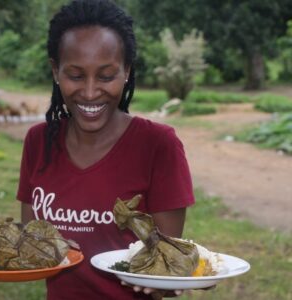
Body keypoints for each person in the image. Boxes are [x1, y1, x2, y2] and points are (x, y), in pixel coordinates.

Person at [17, 1, 195, 299]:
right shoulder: (39, 142)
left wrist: (169, 281)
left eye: (106, 76)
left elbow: (168, 262)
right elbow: (30, 239)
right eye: (75, 75)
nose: (89, 92)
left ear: (126, 71)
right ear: (55, 70)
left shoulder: (158, 145)